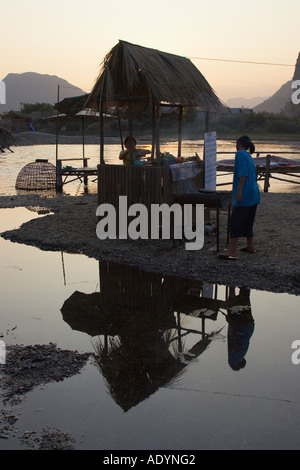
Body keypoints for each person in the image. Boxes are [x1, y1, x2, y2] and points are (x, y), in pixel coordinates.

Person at [219, 135, 260, 260]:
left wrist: (239, 191)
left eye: (236, 143)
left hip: (245, 192)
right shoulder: (249, 156)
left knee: (235, 221)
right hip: (254, 192)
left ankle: (232, 252)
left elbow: (243, 175)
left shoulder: (240, 154)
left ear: (239, 144)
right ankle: (250, 246)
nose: (235, 146)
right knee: (248, 220)